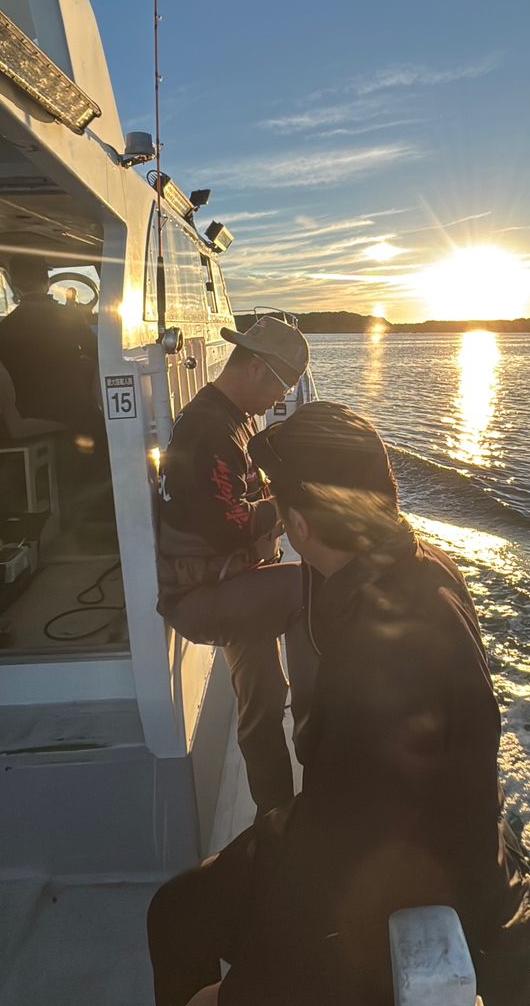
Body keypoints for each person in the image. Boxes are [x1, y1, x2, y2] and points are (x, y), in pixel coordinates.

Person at [148, 402, 530, 1006]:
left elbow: (354, 845)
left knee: (177, 921)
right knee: (179, 908)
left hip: (402, 874)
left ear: (300, 528)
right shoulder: (413, 567)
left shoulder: (380, 645)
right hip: (399, 834)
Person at [156, 315, 310, 816]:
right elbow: (231, 528)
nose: (279, 399)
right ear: (259, 370)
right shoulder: (208, 430)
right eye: (282, 386)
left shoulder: (233, 416)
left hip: (235, 579)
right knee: (313, 587)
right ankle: (321, 730)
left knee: (262, 700)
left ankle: (276, 817)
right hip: (203, 594)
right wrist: (293, 500)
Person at [0, 253, 104, 451]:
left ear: (15, 285)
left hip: (26, 408)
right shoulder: (68, 315)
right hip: (69, 406)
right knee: (105, 427)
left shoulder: (6, 325)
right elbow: (99, 353)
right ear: (47, 282)